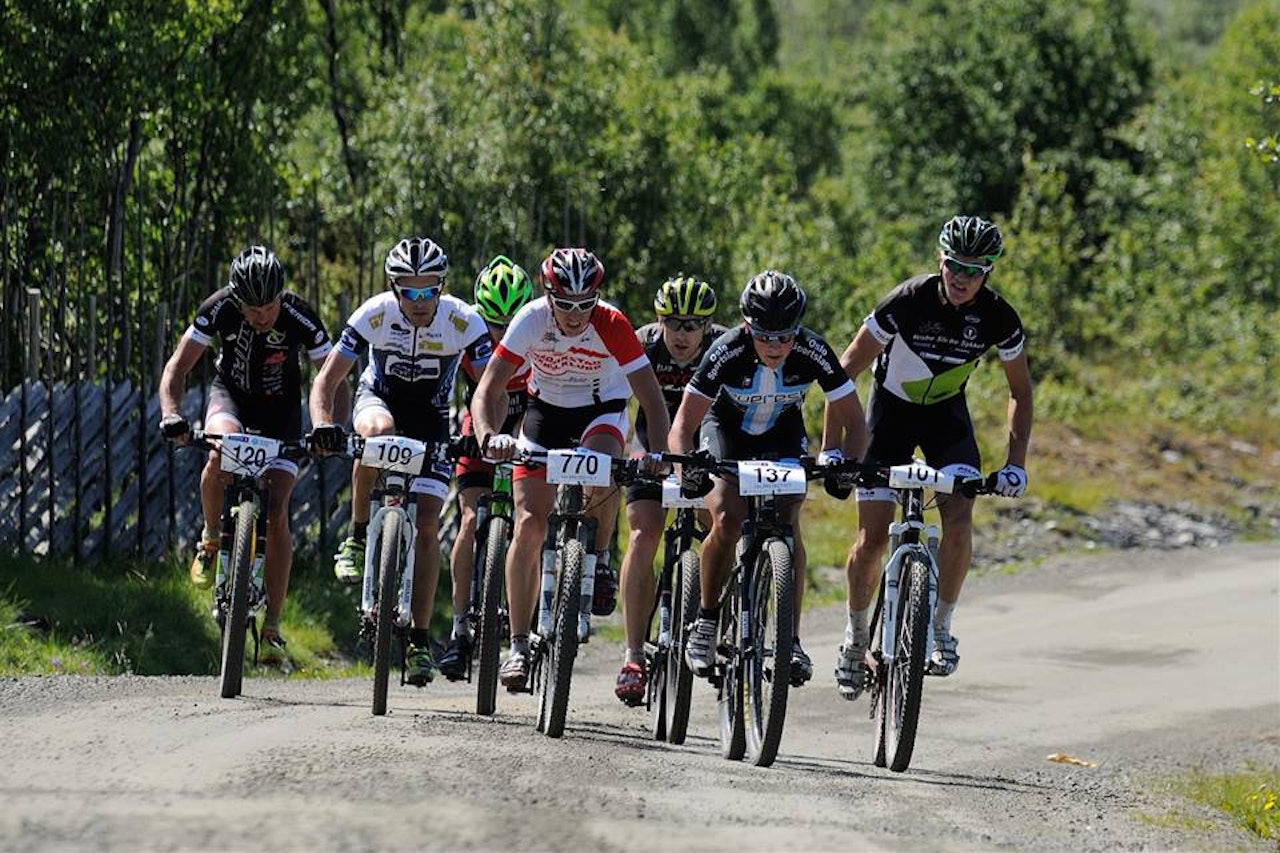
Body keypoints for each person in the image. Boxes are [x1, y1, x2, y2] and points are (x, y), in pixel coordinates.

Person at [832, 215, 1033, 700]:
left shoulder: (999, 317)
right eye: (954, 266)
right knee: (871, 538)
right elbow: (843, 373)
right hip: (889, 416)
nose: (961, 277)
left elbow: (1021, 393)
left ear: (988, 273)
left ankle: (941, 626)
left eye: (974, 270)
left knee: (959, 519)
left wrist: (1015, 464)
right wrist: (835, 449)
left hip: (946, 420)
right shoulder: (907, 300)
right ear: (940, 260)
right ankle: (855, 640)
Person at [471, 247, 670, 692]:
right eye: (565, 304)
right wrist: (489, 437)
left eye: (586, 304)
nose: (576, 315)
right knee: (528, 523)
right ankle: (517, 646)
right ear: (548, 296)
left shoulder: (613, 323)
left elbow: (653, 402)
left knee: (602, 467)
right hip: (546, 413)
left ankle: (598, 556)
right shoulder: (531, 319)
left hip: (601, 411)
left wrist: (656, 454)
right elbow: (487, 391)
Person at [309, 237, 492, 688]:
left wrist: (486, 433)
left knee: (428, 522)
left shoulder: (463, 321)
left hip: (432, 419)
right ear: (394, 288)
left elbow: (491, 388)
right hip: (380, 401)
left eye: (429, 289)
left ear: (442, 286)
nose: (419, 300)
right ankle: (356, 537)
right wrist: (322, 424)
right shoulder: (374, 314)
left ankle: (419, 641)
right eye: (409, 291)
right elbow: (327, 381)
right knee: (376, 433)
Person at [670, 271, 866, 686]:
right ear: (747, 327)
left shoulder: (813, 349)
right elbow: (683, 424)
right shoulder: (726, 351)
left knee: (789, 522)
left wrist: (847, 464)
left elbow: (855, 421)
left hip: (782, 431)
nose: (776, 346)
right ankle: (707, 619)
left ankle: (789, 640)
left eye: (785, 336)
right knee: (727, 518)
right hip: (726, 430)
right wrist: (687, 469)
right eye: (764, 336)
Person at [158, 245, 339, 665]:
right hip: (232, 399)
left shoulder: (299, 315)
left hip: (281, 415)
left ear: (281, 295)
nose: (262, 316)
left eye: (270, 306)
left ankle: (273, 623)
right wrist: (171, 414)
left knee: (276, 511)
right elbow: (177, 367)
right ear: (237, 301)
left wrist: (331, 427)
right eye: (253, 309)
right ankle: (209, 539)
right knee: (219, 454)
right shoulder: (218, 308)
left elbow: (333, 376)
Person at [614, 276, 727, 706]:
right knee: (643, 536)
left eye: (693, 325)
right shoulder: (643, 343)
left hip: (703, 449)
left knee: (721, 529)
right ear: (659, 320)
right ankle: (633, 655)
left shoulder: (722, 347)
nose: (682, 334)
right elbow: (613, 400)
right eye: (674, 323)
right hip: (652, 448)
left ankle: (720, 627)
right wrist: (627, 448)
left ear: (708, 326)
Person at [436, 256, 535, 681]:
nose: (502, 333)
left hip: (526, 422)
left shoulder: (540, 336)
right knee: (470, 520)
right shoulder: (466, 338)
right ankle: (459, 630)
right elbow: (442, 384)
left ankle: (524, 629)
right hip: (478, 424)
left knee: (530, 521)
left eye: (510, 324)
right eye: (494, 324)